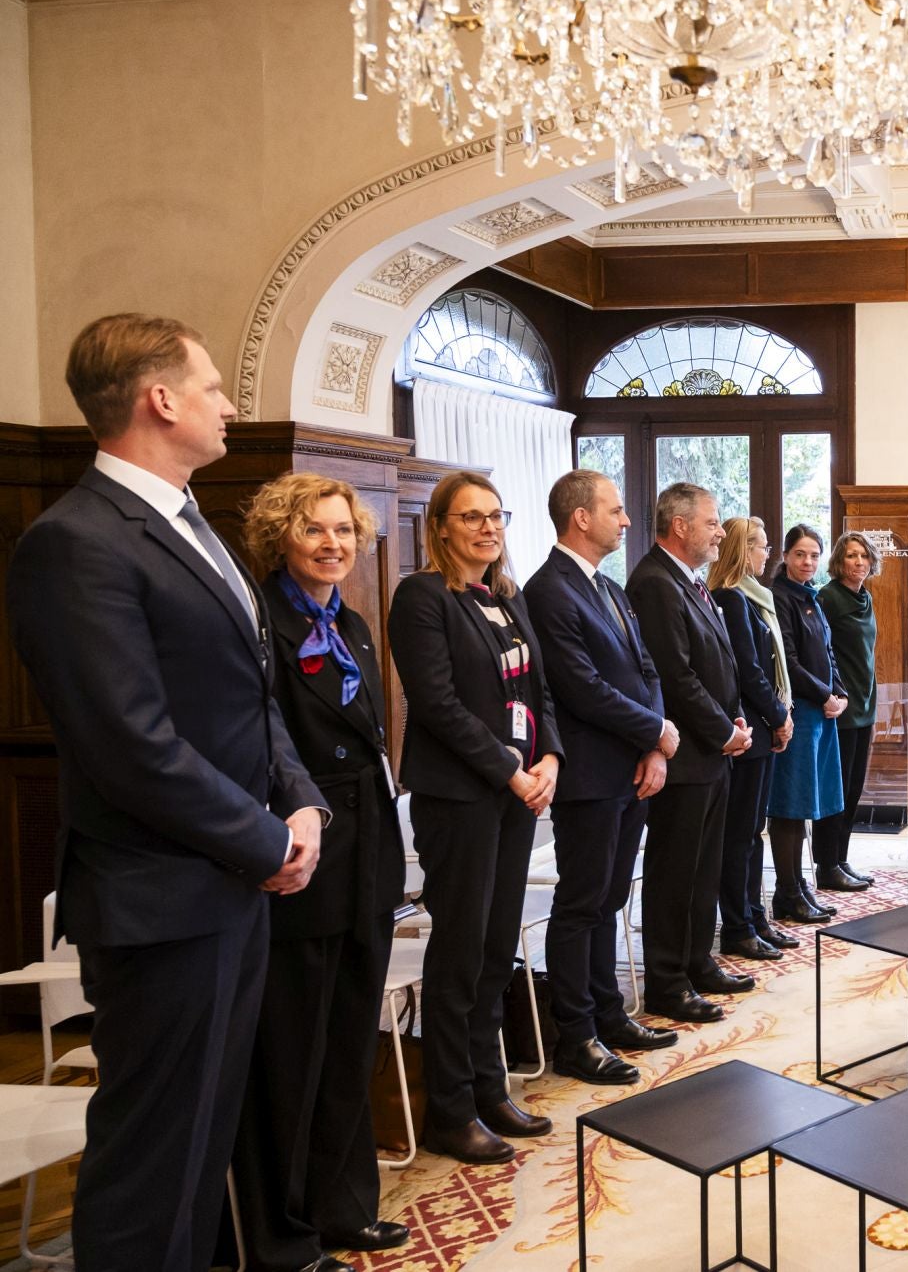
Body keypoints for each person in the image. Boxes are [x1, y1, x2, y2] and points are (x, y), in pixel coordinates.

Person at [8, 315, 326, 1272]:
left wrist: (300, 801)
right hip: (160, 898)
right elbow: (130, 747)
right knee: (152, 1160)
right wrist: (266, 842)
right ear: (160, 400)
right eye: (215, 385)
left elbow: (253, 695)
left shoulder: (196, 521)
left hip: (227, 884)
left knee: (203, 1144)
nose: (230, 403)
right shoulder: (75, 542)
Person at [227, 474, 409, 1269]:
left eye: (343, 529)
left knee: (348, 1044)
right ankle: (284, 1233)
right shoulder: (259, 620)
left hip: (367, 852)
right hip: (303, 856)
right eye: (315, 530)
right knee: (292, 1058)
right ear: (280, 537)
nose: (334, 544)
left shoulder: (356, 625)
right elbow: (263, 747)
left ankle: (346, 1207)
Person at [388, 470, 563, 1165]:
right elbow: (436, 704)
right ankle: (450, 1108)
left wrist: (549, 756)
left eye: (495, 516)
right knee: (460, 952)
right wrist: (510, 768)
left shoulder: (505, 598)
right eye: (471, 518)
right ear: (440, 527)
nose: (488, 528)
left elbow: (539, 691)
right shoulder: (422, 596)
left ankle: (490, 1087)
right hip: (460, 797)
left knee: (496, 948)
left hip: (516, 792)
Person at [523, 470, 679, 1089]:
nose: (626, 519)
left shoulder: (609, 586)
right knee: (581, 903)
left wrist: (655, 742)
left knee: (612, 899)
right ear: (580, 518)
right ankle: (576, 1034)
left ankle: (609, 1013)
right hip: (588, 773)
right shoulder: (548, 590)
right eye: (615, 510)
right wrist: (655, 731)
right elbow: (580, 688)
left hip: (631, 765)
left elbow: (645, 667)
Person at [627, 481, 755, 1024]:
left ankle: (699, 961)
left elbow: (716, 663)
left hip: (712, 751)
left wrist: (734, 719)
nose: (720, 532)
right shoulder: (655, 583)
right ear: (680, 526)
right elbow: (674, 677)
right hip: (684, 755)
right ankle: (668, 980)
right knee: (675, 872)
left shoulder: (691, 582)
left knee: (705, 868)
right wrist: (723, 730)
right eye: (711, 522)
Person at [709, 516, 804, 949]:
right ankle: (738, 926)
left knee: (753, 832)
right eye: (762, 546)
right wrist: (778, 716)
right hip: (749, 726)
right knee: (740, 836)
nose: (768, 554)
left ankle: (755, 917)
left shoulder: (753, 597)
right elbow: (749, 671)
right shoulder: (730, 599)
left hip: (762, 727)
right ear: (741, 550)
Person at [766, 525, 853, 909]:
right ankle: (788, 891)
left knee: (811, 803)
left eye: (814, 555)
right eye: (800, 554)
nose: (808, 562)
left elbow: (829, 653)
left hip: (823, 714)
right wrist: (825, 694)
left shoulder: (812, 598)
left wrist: (841, 693)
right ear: (785, 556)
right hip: (799, 715)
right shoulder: (778, 596)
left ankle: (800, 884)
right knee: (791, 805)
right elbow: (789, 661)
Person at [814, 531, 884, 891]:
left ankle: (841, 858)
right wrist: (833, 693)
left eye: (863, 556)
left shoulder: (866, 598)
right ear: (839, 562)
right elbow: (820, 653)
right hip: (839, 706)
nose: (858, 562)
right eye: (850, 556)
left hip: (865, 704)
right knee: (836, 790)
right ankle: (826, 865)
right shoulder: (827, 597)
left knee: (854, 789)